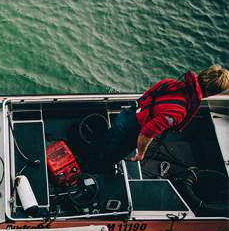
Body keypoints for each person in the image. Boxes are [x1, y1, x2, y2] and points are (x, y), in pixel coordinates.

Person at [90, 65, 229, 172]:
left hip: (126, 115)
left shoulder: (169, 83)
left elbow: (146, 97)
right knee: (112, 154)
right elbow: (146, 133)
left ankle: (95, 153)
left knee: (107, 140)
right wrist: (141, 154)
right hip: (130, 131)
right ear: (211, 92)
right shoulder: (178, 113)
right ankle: (97, 168)